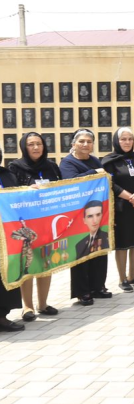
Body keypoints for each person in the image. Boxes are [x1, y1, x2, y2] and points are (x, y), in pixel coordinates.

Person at [8, 132, 62, 322]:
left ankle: (43, 303)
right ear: (24, 147)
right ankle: (27, 307)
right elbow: (10, 193)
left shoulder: (52, 167)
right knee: (29, 264)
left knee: (46, 262)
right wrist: (26, 190)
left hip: (48, 222)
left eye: (39, 143)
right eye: (31, 144)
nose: (36, 147)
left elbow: (62, 188)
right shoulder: (15, 167)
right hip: (27, 224)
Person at [61, 129, 111, 305]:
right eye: (81, 141)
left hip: (97, 211)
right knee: (81, 252)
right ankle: (82, 291)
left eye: (89, 142)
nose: (85, 145)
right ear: (73, 143)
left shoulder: (95, 160)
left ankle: (98, 287)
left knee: (99, 248)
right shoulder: (67, 163)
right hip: (78, 215)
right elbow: (71, 182)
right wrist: (93, 174)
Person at [102, 128, 134, 292]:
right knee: (122, 243)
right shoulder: (110, 160)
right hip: (122, 208)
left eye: (130, 139)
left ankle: (132, 276)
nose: (127, 142)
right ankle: (122, 279)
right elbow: (110, 182)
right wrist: (131, 197)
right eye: (123, 139)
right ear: (116, 140)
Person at [0, 147, 24, 332]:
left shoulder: (7, 174)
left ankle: (2, 316)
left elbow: (17, 196)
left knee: (5, 275)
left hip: (7, 235)